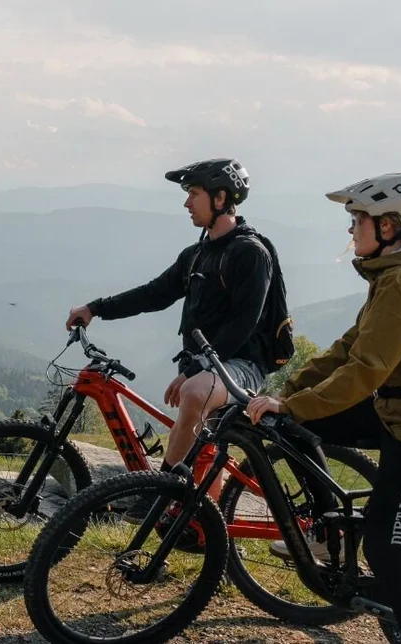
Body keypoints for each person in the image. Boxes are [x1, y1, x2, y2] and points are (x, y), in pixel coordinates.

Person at [244, 172, 401, 644]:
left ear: (389, 225)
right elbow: (344, 351)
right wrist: (284, 396)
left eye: (356, 220)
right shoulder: (389, 279)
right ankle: (327, 536)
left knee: (388, 551)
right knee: (289, 428)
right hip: (395, 410)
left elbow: (366, 369)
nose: (350, 232)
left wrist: (295, 404)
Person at [64, 158, 277, 502]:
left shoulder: (250, 253)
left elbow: (244, 324)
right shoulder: (196, 255)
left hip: (241, 368)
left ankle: (160, 496)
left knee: (193, 393)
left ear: (220, 198)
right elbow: (154, 294)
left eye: (194, 193)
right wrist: (95, 308)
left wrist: (197, 369)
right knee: (204, 451)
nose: (186, 203)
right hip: (207, 369)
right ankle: (202, 527)